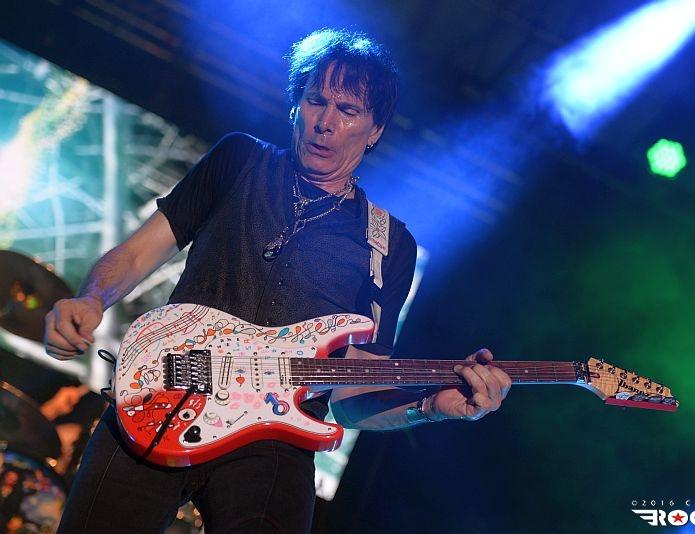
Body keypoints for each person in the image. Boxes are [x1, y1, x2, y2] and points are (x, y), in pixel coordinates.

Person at [44, 29, 511, 533]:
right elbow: (138, 253)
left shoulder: (389, 246)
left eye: (348, 111)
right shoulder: (239, 160)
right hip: (165, 394)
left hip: (274, 443)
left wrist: (430, 406)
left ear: (375, 129)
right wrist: (91, 299)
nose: (325, 122)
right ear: (296, 105)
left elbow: (352, 400)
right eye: (316, 101)